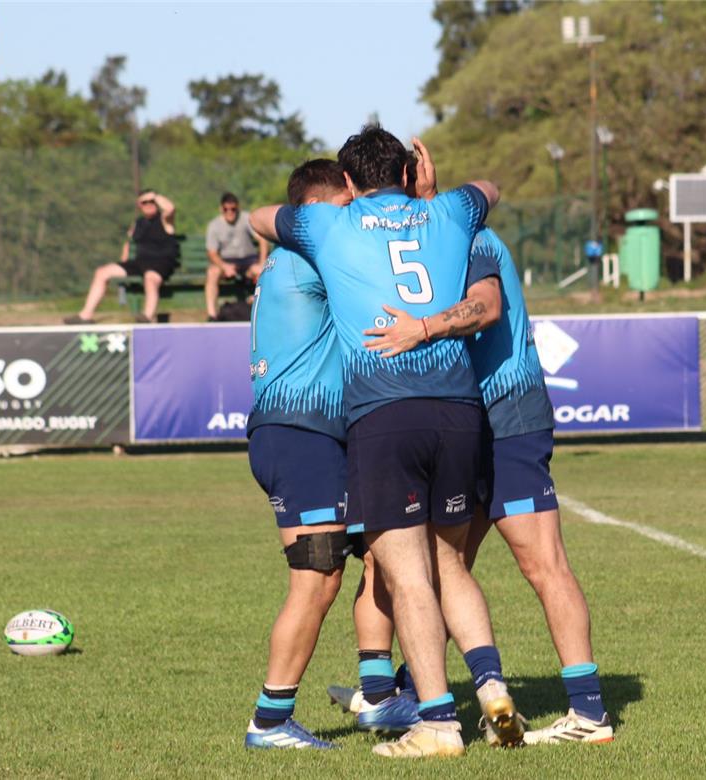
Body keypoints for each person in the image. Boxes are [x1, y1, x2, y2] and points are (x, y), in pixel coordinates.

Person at [250, 125, 516, 759]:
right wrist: (420, 200)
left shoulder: (324, 235)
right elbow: (488, 189)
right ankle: (271, 718)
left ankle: (396, 702)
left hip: (363, 424)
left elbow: (268, 218)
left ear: (350, 181)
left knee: (388, 565)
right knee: (332, 577)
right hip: (331, 429)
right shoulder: (412, 220)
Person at [340, 225, 617, 747]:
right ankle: (449, 691)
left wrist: (420, 329)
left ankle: (588, 712)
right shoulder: (430, 241)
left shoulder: (468, 238)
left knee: (541, 562)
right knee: (443, 567)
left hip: (506, 413)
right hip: (463, 421)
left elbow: (485, 307)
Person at [242, 161, 353, 750]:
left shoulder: (288, 255)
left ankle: (383, 691)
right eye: (345, 205)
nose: (352, 217)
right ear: (312, 212)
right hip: (300, 432)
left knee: (374, 557)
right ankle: (270, 720)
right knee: (316, 576)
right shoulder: (314, 254)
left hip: (301, 432)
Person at [65, 189, 178, 324]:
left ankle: (146, 317)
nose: (148, 204)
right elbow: (128, 244)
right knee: (102, 272)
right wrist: (123, 264)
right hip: (140, 262)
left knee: (150, 278)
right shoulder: (138, 223)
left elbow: (170, 208)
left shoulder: (165, 220)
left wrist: (155, 195)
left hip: (160, 262)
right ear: (139, 205)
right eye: (144, 202)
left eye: (152, 201)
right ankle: (85, 316)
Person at [204, 193, 269, 321]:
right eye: (226, 209)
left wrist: (262, 262)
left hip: (249, 260)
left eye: (233, 209)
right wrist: (224, 266)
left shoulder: (246, 218)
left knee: (264, 271)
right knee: (212, 272)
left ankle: (265, 312)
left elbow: (262, 240)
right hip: (227, 262)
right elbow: (211, 252)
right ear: (221, 209)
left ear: (237, 208)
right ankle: (212, 315)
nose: (230, 212)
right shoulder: (214, 225)